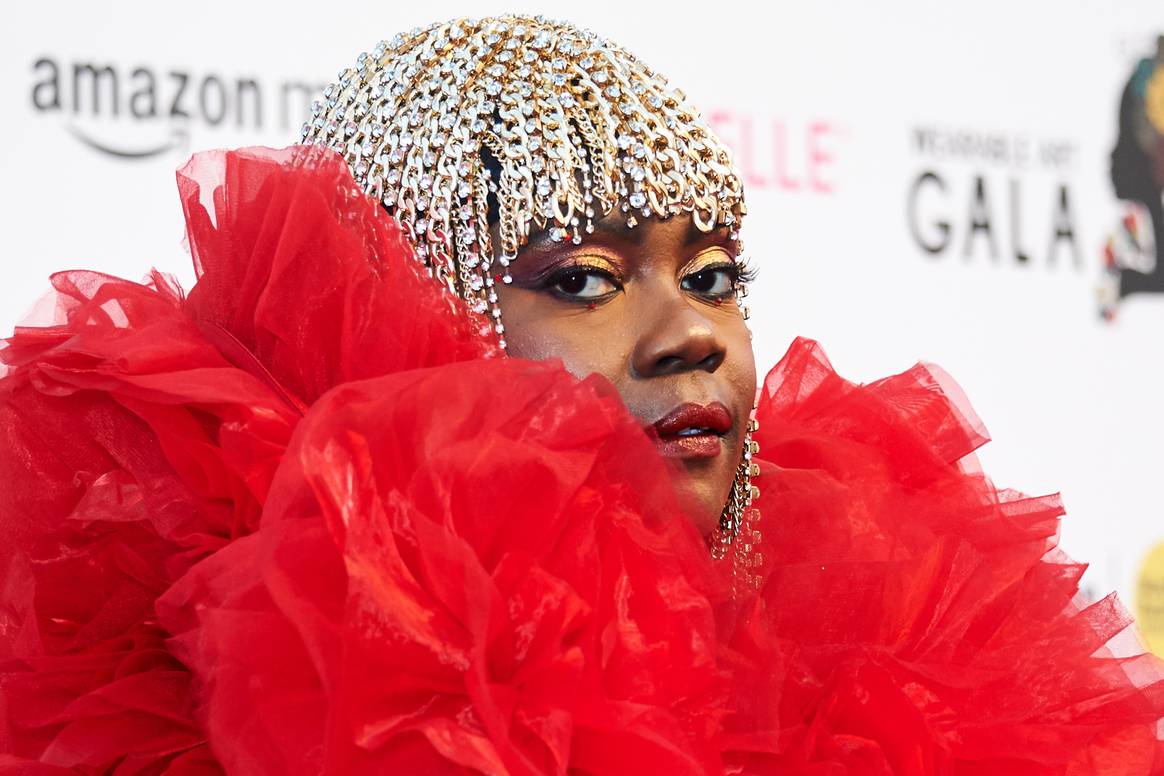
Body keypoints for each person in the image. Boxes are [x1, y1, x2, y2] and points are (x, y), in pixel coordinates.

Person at [2, 15, 1163, 775]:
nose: (691, 333)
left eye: (715, 276)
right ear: (379, 313)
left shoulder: (897, 664)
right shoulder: (176, 699)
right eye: (582, 279)